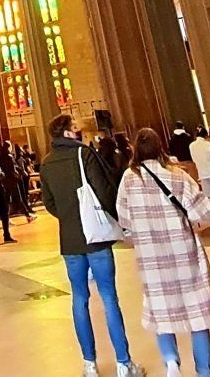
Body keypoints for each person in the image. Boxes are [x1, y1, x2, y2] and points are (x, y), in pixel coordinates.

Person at [40, 113, 142, 377]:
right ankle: (123, 363)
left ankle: (89, 365)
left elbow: (49, 202)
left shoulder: (46, 163)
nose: (78, 131)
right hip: (95, 238)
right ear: (66, 132)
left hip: (70, 241)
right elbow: (102, 190)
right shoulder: (83, 154)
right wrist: (116, 218)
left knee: (79, 299)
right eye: (74, 128)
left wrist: (69, 217)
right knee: (108, 297)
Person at [116, 129, 210, 377]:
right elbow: (203, 210)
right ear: (160, 146)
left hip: (151, 256)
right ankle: (203, 371)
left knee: (161, 310)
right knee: (197, 313)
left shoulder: (129, 178)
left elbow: (123, 217)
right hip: (182, 251)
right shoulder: (177, 174)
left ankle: (171, 362)